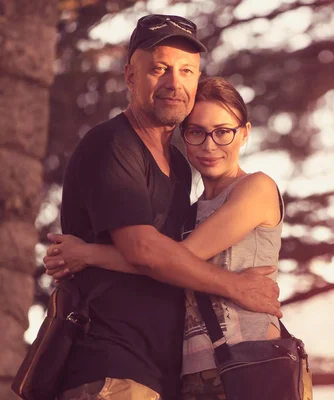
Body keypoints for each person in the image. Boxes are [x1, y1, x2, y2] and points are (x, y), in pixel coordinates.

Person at [44, 15, 281, 400]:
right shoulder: (113, 145)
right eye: (159, 68)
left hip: (168, 376)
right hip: (111, 365)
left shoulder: (180, 171)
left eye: (187, 71)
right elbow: (148, 253)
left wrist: (89, 254)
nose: (174, 83)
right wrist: (236, 286)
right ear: (130, 76)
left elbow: (173, 259)